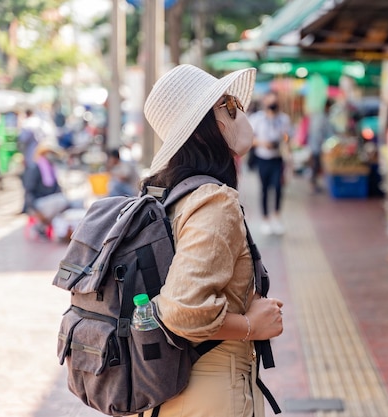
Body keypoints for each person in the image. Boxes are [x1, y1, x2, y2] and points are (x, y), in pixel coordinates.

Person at [140, 64, 284, 417]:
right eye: (230, 106)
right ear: (207, 124)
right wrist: (252, 325)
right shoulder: (214, 201)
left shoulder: (164, 192)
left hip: (167, 388)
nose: (240, 114)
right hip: (210, 394)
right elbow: (183, 311)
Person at [248, 91, 292, 235]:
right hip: (262, 159)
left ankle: (277, 217)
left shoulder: (283, 119)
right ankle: (265, 219)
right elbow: (249, 139)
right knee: (264, 189)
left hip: (278, 158)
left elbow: (288, 138)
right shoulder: (257, 119)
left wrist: (283, 142)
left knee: (278, 188)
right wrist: (262, 143)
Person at [22, 141, 67, 236]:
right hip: (37, 204)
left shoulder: (52, 169)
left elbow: (57, 189)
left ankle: (44, 226)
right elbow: (28, 191)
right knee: (62, 201)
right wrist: (36, 211)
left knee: (68, 202)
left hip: (49, 202)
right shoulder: (35, 168)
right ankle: (40, 225)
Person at [307, 98, 335, 193]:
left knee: (316, 165)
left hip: (317, 145)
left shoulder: (324, 116)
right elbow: (317, 133)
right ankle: (312, 185)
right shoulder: (320, 117)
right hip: (316, 145)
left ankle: (314, 184)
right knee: (315, 165)